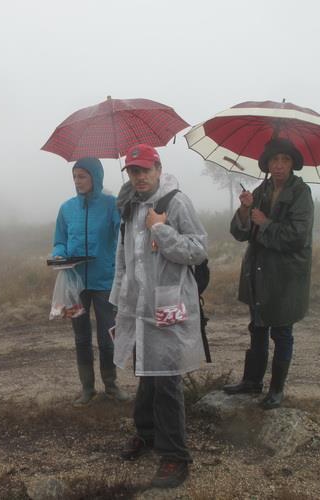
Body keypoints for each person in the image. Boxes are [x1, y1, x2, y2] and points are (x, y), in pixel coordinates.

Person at [110, 144, 208, 489]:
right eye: (133, 172)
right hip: (139, 307)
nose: (139, 177)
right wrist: (119, 299)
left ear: (158, 168)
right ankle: (147, 433)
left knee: (166, 378)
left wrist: (161, 230)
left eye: (144, 170)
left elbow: (198, 249)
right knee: (145, 372)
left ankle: (174, 455)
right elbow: (124, 257)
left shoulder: (175, 202)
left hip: (168, 305)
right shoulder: (129, 207)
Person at [223, 137, 314, 410]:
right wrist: (246, 209)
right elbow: (240, 234)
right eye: (274, 159)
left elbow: (297, 236)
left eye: (285, 160)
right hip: (259, 273)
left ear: (293, 164)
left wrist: (265, 222)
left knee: (282, 331)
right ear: (267, 163)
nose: (279, 165)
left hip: (286, 276)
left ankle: (276, 390)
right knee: (258, 328)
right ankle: (252, 381)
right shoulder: (260, 190)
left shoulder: (301, 193)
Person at [52, 157, 129, 407]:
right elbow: (60, 240)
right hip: (76, 284)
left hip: (105, 280)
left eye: (82, 176)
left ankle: (111, 385)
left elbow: (123, 235)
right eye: (75, 176)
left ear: (95, 177)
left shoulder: (111, 204)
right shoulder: (66, 208)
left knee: (107, 336)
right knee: (81, 337)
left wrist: (124, 210)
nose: (77, 181)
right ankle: (87, 388)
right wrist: (59, 253)